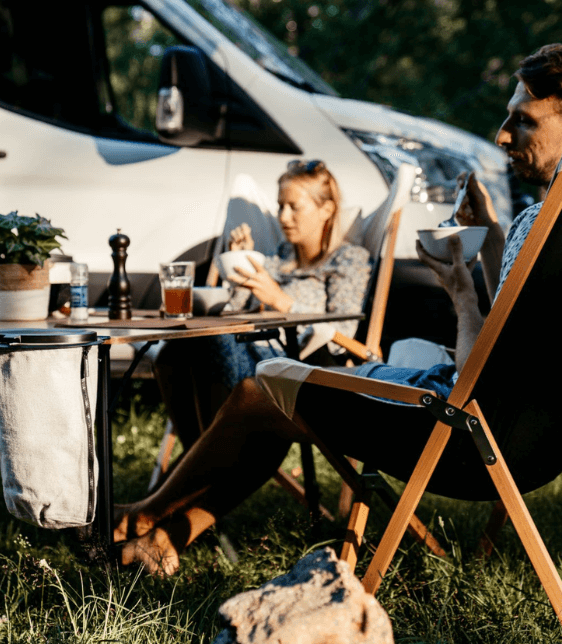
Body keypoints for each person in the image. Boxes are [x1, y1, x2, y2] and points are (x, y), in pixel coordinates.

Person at [113, 43, 562, 576]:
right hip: (532, 447)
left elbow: (474, 375)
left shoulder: (542, 223)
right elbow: (509, 325)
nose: (502, 135)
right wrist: (488, 232)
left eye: (523, 121)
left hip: (462, 437)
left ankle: (138, 517)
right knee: (270, 396)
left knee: (264, 392)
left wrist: (460, 292)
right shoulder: (543, 225)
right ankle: (164, 539)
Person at [154, 160, 372, 448]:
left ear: (327, 210)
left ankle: (208, 465)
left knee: (211, 342)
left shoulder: (348, 260)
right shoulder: (279, 257)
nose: (283, 217)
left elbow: (341, 336)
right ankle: (201, 459)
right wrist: (241, 264)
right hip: (251, 352)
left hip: (293, 368)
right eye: (280, 206)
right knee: (173, 352)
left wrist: (281, 302)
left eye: (295, 207)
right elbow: (236, 311)